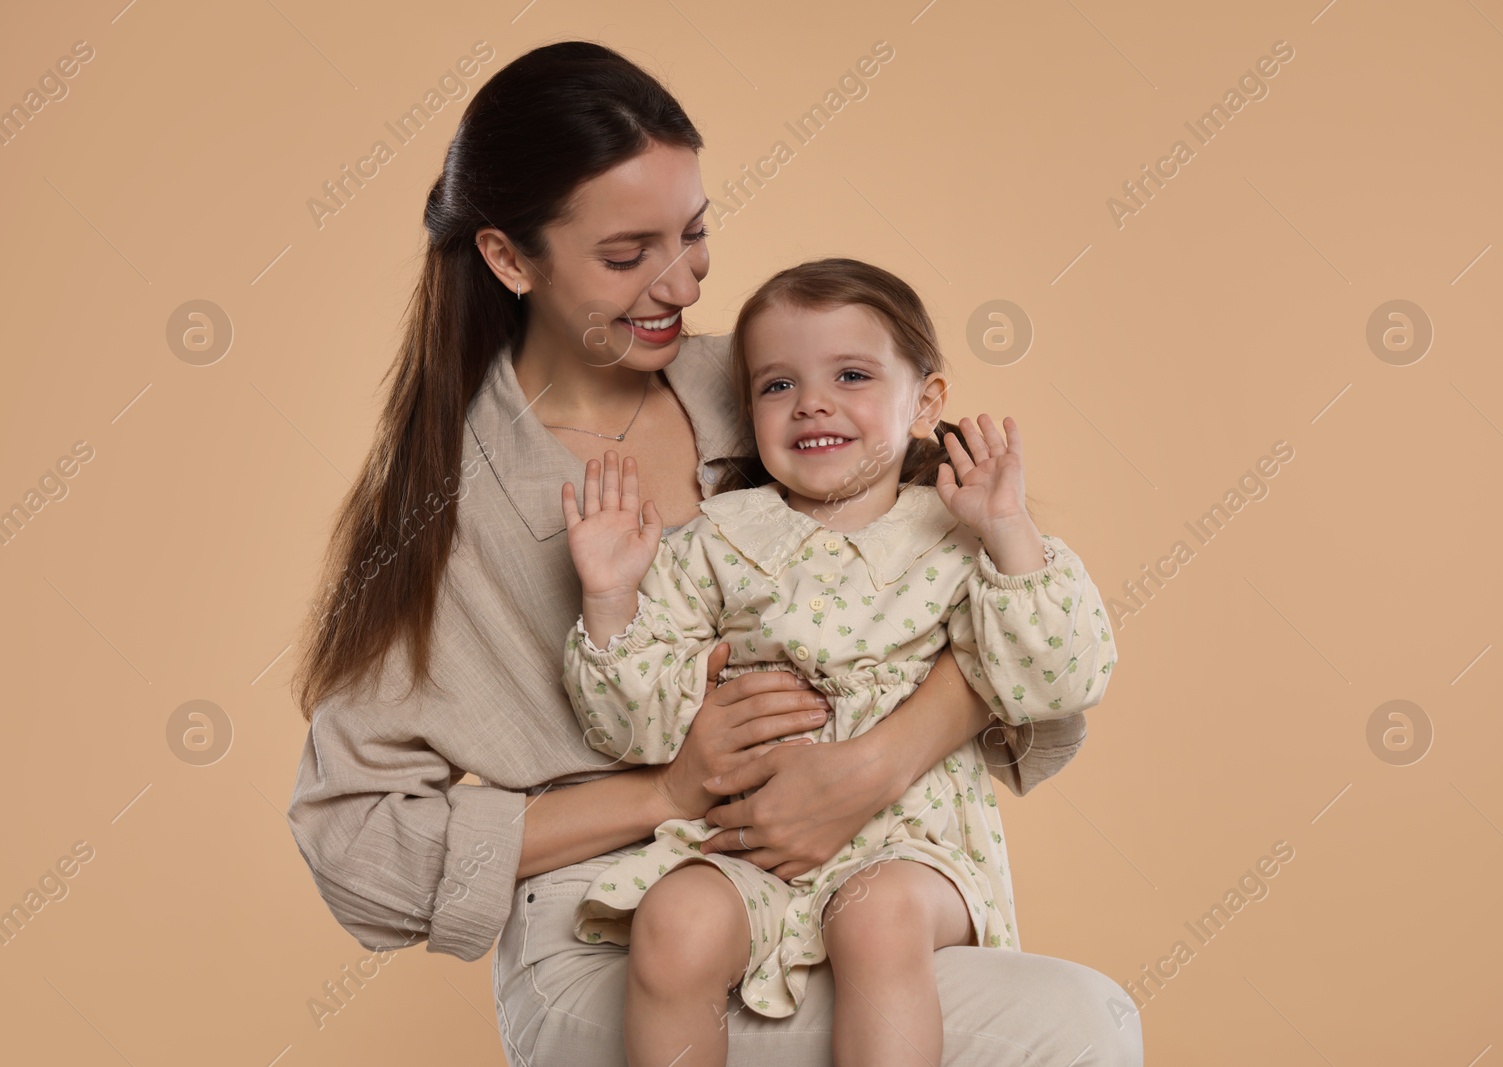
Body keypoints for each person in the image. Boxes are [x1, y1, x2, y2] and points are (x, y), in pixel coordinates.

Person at [285, 40, 1142, 1066]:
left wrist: (878, 759)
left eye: (693, 234)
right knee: (1069, 1030)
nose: (679, 282)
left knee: (1049, 1010)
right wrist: (665, 793)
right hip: (616, 923)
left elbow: (988, 612)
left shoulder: (775, 376)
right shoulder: (443, 502)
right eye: (625, 254)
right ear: (510, 258)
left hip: (848, 879)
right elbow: (356, 842)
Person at [559, 257, 1117, 1066]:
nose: (811, 401)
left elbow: (1061, 678)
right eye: (777, 385)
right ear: (748, 413)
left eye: (851, 374)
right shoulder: (720, 538)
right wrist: (609, 598)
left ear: (926, 400)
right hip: (757, 846)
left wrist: (1008, 529)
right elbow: (634, 729)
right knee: (674, 922)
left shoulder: (959, 534)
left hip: (913, 850)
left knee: (875, 915)